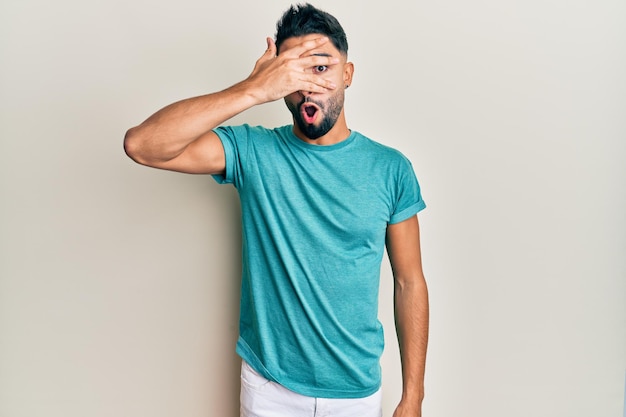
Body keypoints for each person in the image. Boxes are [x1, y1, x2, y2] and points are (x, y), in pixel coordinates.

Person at [124, 3, 428, 416]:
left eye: (321, 68)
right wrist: (252, 89)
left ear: (348, 74)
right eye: (294, 73)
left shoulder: (390, 168)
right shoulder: (253, 150)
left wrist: (413, 396)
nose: (309, 86)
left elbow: (409, 282)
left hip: (356, 392)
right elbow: (144, 146)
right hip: (270, 389)